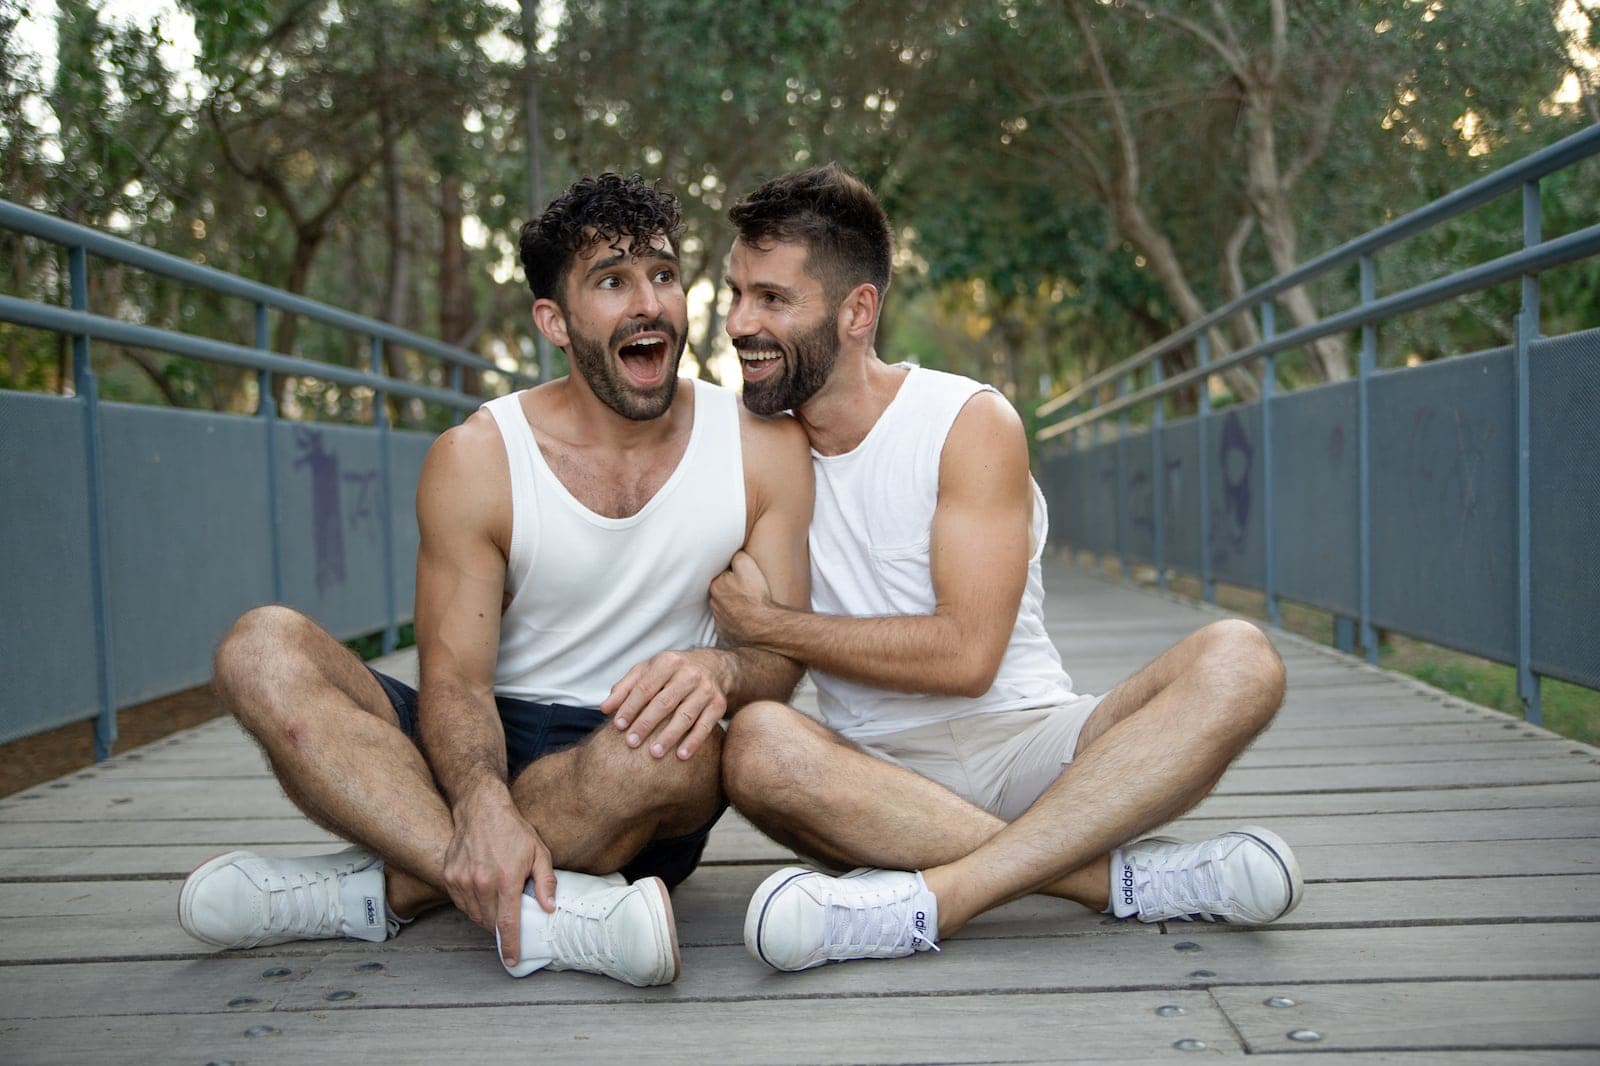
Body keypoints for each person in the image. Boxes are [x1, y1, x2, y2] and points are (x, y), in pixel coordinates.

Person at [178, 173, 812, 987]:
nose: (648, 304)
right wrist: (479, 801)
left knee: (676, 757)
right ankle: (560, 911)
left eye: (661, 274)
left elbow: (780, 659)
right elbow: (454, 683)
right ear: (554, 320)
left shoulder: (761, 447)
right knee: (258, 648)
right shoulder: (479, 458)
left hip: (631, 758)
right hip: (479, 738)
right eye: (611, 282)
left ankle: (374, 893)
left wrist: (721, 668)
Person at [709, 163, 1301, 973]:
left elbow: (966, 657)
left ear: (857, 310)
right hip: (873, 785)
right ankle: (1115, 882)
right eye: (735, 293)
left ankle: (937, 901)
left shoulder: (965, 421)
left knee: (1242, 657)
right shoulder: (739, 446)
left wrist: (772, 626)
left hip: (1037, 750)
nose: (740, 322)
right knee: (755, 746)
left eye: (771, 298)